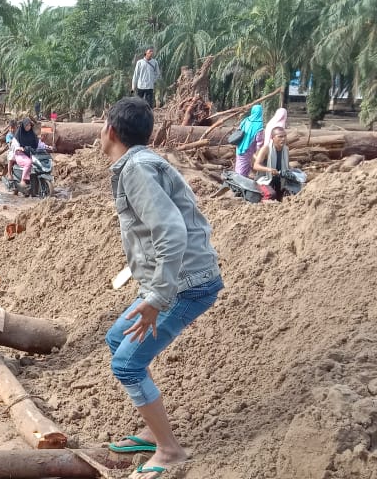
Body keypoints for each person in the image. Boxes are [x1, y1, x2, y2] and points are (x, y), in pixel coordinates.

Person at [100, 97, 223, 479]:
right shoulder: (140, 163)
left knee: (126, 364)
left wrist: (155, 298)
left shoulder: (136, 169)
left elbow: (171, 231)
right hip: (174, 281)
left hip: (185, 286)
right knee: (118, 340)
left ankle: (169, 451)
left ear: (111, 131)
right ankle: (154, 432)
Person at [252, 126, 291, 201]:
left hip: (279, 179)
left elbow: (286, 165)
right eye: (280, 137)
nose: (283, 139)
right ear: (272, 138)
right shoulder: (266, 149)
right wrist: (269, 169)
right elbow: (256, 166)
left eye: (285, 136)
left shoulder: (286, 149)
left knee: (290, 193)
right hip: (264, 179)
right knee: (271, 195)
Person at [234, 105, 265, 177]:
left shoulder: (246, 120)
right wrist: (258, 153)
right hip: (249, 149)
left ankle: (237, 178)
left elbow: (239, 130)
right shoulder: (259, 125)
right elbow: (259, 142)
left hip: (240, 146)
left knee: (240, 163)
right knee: (244, 166)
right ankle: (239, 181)